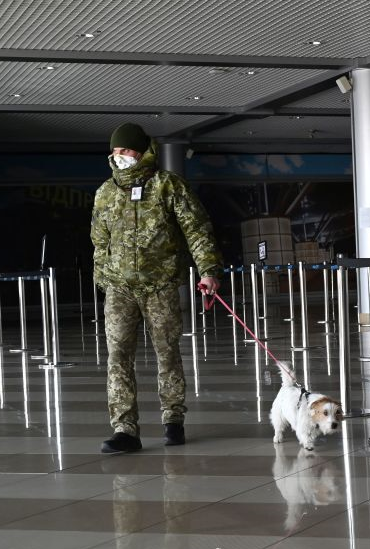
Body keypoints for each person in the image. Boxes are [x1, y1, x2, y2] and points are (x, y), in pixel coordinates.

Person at [91, 123, 222, 453]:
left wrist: (208, 271)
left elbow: (197, 230)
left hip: (160, 286)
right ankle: (125, 430)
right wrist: (103, 278)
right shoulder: (106, 192)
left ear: (141, 151)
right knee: (118, 358)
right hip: (119, 289)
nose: (118, 156)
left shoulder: (168, 185)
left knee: (167, 353)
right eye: (115, 151)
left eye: (125, 150)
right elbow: (98, 239)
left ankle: (173, 418)